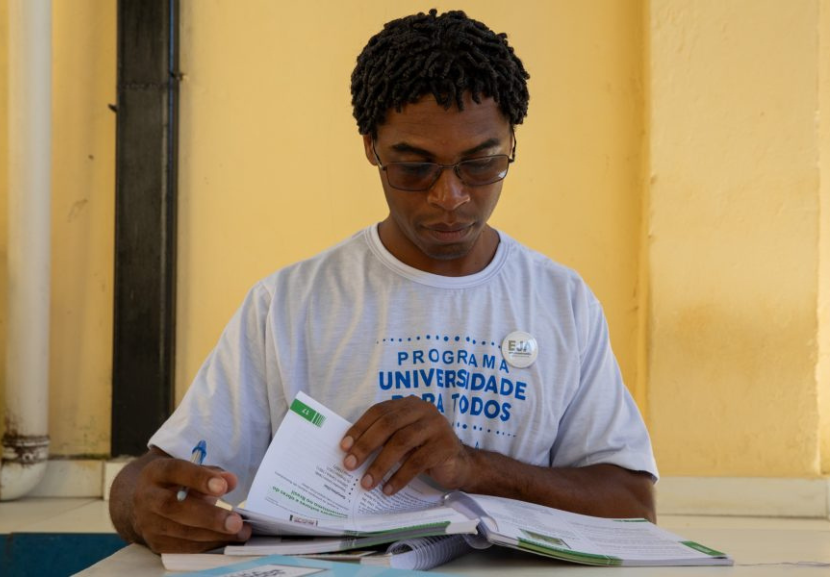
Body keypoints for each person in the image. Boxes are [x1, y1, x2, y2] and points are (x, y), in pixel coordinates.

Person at [109, 9, 658, 554]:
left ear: (511, 141)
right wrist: (142, 506)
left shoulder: (562, 303)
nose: (451, 196)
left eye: (481, 163)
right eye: (414, 166)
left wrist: (471, 467)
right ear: (371, 146)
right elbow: (153, 479)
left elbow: (633, 503)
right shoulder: (290, 303)